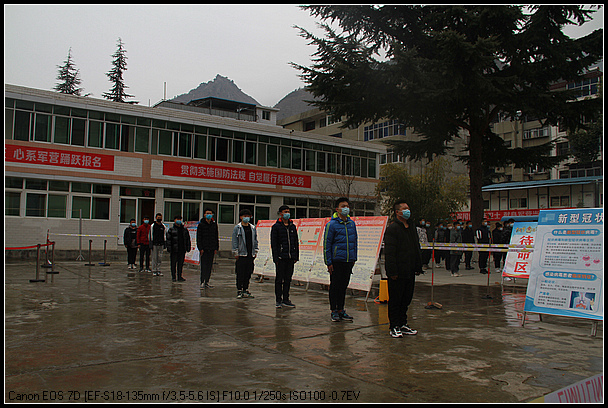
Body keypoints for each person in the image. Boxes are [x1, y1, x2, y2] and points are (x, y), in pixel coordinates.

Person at [383, 200, 422, 338]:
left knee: (406, 299)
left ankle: (403, 323)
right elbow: (389, 253)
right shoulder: (393, 229)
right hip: (397, 272)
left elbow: (416, 247)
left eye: (408, 208)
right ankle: (394, 326)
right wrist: (392, 271)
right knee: (395, 300)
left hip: (409, 270)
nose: (407, 211)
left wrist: (418, 265)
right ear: (397, 212)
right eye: (404, 209)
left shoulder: (411, 227)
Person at [323, 197, 357, 322]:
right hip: (336, 261)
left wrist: (354, 257)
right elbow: (327, 244)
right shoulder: (331, 225)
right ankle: (334, 310)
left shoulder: (351, 224)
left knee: (343, 286)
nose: (346, 208)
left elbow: (354, 242)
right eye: (343, 206)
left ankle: (341, 310)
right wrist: (328, 262)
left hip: (348, 260)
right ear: (337, 209)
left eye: (347, 206)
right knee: (335, 287)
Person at [270, 205, 299, 308]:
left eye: (288, 212)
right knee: (279, 280)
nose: (287, 213)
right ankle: (278, 300)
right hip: (281, 258)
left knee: (288, 279)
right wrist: (276, 258)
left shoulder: (292, 226)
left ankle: (286, 299)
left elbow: (295, 242)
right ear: (280, 213)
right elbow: (274, 244)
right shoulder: (276, 227)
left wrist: (296, 256)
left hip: (290, 257)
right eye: (285, 212)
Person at [232, 209, 259, 299]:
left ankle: (245, 289)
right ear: (241, 217)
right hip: (241, 254)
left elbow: (255, 240)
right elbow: (235, 241)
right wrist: (235, 252)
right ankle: (239, 290)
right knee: (240, 273)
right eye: (244, 216)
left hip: (250, 254)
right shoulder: (237, 228)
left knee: (248, 272)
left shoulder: (252, 228)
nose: (246, 218)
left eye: (248, 216)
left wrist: (255, 251)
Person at [197, 208, 219, 288]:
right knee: (204, 266)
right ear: (204, 215)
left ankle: (207, 281)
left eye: (210, 213)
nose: (209, 215)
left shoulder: (214, 225)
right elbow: (199, 237)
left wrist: (216, 248)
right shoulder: (201, 225)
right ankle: (202, 281)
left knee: (209, 266)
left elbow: (216, 237)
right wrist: (200, 248)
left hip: (212, 248)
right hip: (204, 249)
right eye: (207, 213)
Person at [166, 215, 191, 282]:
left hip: (182, 249)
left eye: (180, 219)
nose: (179, 220)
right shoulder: (171, 230)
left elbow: (187, 239)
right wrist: (169, 248)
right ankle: (173, 277)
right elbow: (168, 240)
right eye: (177, 219)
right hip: (174, 249)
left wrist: (188, 247)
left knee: (180, 264)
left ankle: (179, 276)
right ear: (174, 220)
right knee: (173, 264)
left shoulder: (184, 230)